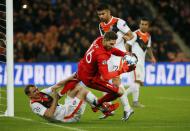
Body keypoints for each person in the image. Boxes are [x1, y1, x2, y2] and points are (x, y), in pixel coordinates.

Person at [59, 31, 136, 118]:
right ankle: (97, 104)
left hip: (82, 68)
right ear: (105, 40)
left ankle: (57, 94)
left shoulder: (99, 40)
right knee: (119, 92)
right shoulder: (101, 55)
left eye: (114, 44)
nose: (112, 46)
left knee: (65, 84)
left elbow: (112, 50)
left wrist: (124, 54)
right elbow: (106, 76)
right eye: (111, 43)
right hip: (90, 78)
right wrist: (123, 70)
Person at [96, 3, 136, 120]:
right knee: (103, 80)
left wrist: (126, 42)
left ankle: (127, 109)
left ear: (109, 12)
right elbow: (104, 42)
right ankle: (107, 107)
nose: (101, 16)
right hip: (108, 56)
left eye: (103, 13)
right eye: (99, 14)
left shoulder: (119, 22)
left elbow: (131, 35)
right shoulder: (101, 25)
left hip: (118, 55)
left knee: (116, 81)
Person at [24, 74, 101, 123]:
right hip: (66, 117)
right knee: (83, 91)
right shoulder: (35, 105)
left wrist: (72, 76)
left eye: (37, 89)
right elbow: (49, 114)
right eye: (34, 91)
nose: (37, 91)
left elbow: (57, 85)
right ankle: (102, 106)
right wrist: (55, 99)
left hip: (65, 109)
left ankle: (95, 106)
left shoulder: (42, 92)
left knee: (76, 87)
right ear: (30, 96)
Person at [125, 17, 156, 107]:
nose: (143, 26)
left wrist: (152, 57)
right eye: (142, 24)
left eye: (145, 24)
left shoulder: (148, 36)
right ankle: (121, 95)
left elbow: (148, 47)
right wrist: (128, 56)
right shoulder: (135, 34)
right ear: (139, 24)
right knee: (137, 82)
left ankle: (135, 102)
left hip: (142, 63)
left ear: (148, 26)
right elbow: (127, 44)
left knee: (137, 83)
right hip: (134, 62)